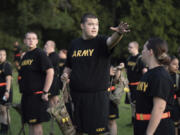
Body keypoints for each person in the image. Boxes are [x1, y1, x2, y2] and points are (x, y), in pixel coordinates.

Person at [61, 13, 130, 135]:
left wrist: (119, 33)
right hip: (76, 96)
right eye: (90, 24)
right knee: (77, 130)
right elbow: (68, 66)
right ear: (82, 26)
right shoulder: (74, 44)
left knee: (96, 132)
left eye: (96, 24)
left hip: (97, 96)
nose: (94, 27)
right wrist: (65, 75)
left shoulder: (101, 41)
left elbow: (111, 41)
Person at [135, 37, 175, 135]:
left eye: (144, 49)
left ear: (150, 52)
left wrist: (149, 133)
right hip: (143, 125)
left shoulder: (160, 75)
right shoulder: (149, 73)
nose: (142, 51)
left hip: (158, 129)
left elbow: (159, 107)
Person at [18, 32, 54, 135]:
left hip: (37, 96)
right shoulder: (25, 56)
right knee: (30, 124)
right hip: (26, 96)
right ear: (24, 41)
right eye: (28, 38)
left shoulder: (40, 53)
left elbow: (50, 71)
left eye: (33, 38)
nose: (31, 40)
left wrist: (45, 91)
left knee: (37, 125)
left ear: (37, 41)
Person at [125, 41, 147, 126]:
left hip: (138, 85)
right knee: (132, 104)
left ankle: (139, 121)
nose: (129, 49)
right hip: (130, 85)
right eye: (128, 47)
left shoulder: (141, 59)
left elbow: (145, 73)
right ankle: (133, 121)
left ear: (136, 48)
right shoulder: (129, 58)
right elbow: (126, 71)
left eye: (131, 47)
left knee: (139, 104)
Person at [44, 40, 60, 107]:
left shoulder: (54, 56)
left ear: (52, 46)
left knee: (53, 99)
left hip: (53, 80)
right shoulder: (49, 56)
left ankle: (59, 114)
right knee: (51, 98)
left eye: (46, 45)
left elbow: (47, 66)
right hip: (51, 80)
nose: (44, 46)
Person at [0, 49, 13, 134]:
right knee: (0, 109)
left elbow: (8, 79)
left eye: (2, 55)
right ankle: (2, 127)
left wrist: (7, 91)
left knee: (5, 109)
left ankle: (6, 129)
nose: (0, 56)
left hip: (5, 90)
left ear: (5, 56)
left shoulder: (7, 65)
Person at [168, 56, 180, 135]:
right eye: (174, 64)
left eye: (178, 64)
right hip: (164, 107)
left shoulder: (177, 77)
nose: (177, 66)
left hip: (174, 106)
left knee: (175, 126)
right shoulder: (162, 75)